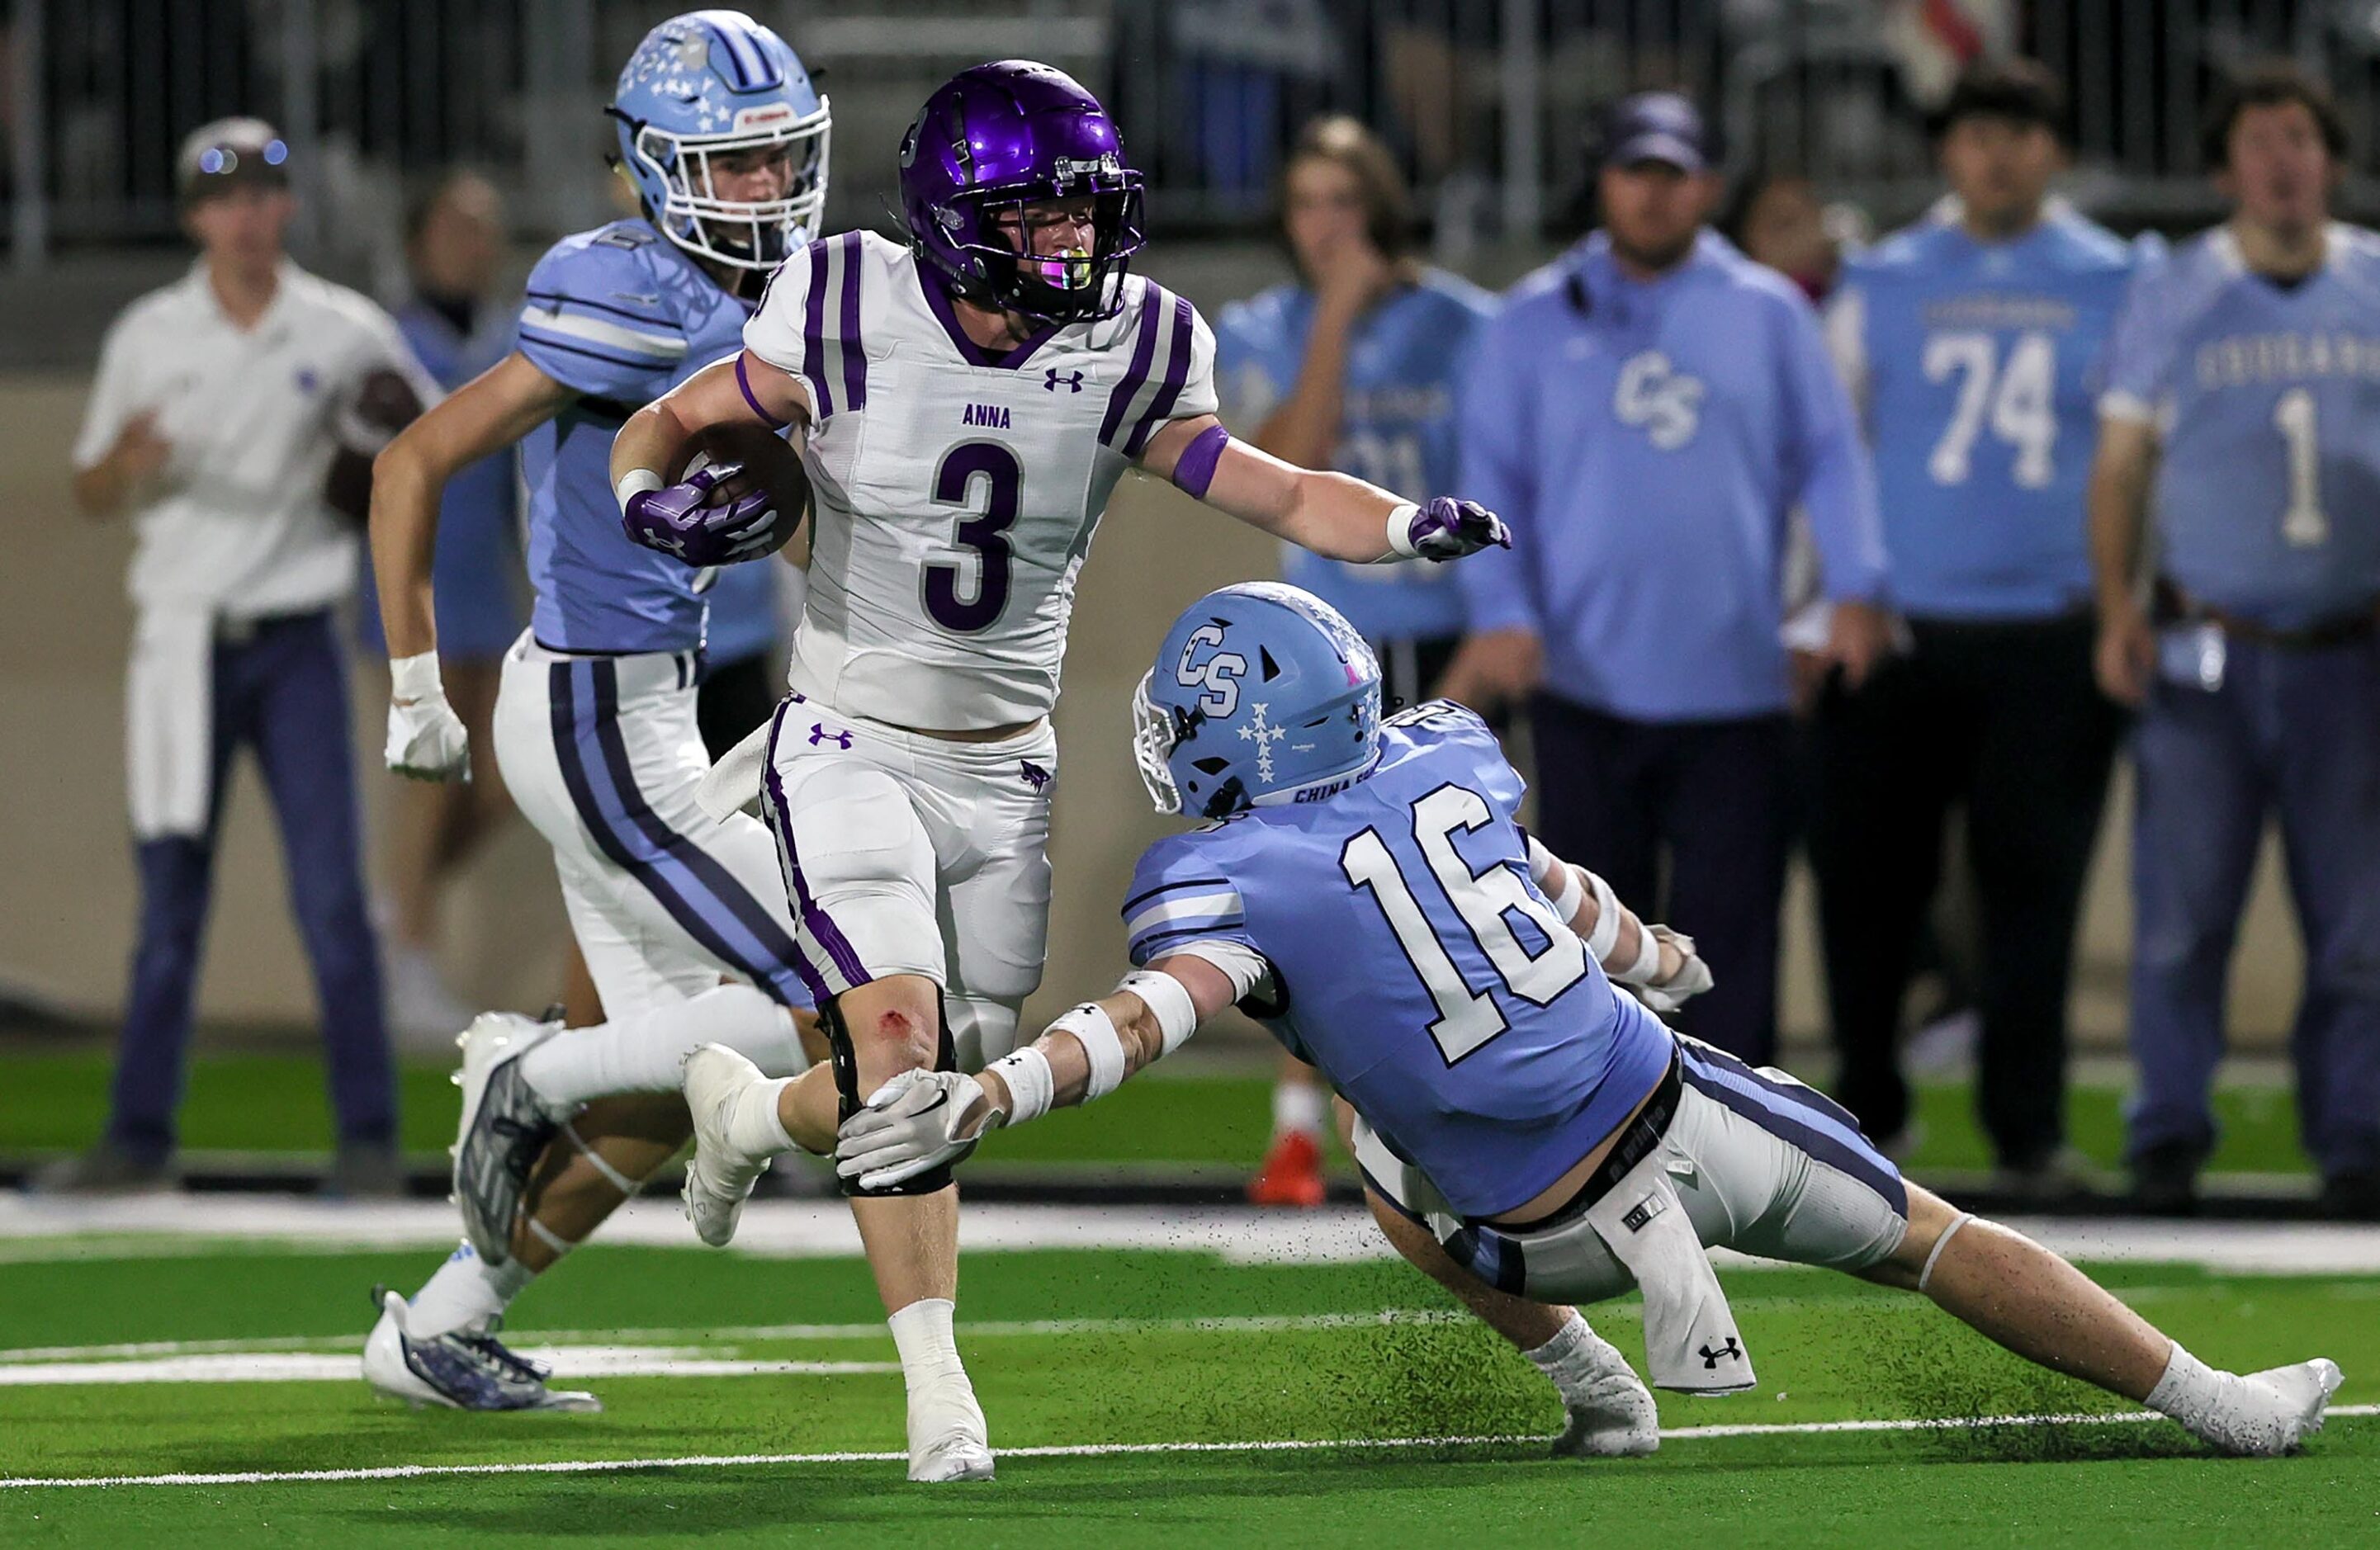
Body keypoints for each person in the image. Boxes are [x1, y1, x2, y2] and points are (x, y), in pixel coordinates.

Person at [802, 582, 2340, 1461]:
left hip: (1517, 1229)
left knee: (1369, 1130)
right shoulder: (1445, 761)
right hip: (1686, 1123)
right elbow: (1554, 887)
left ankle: (1590, 1377)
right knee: (1935, 1237)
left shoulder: (1219, 872)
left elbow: (1138, 1021)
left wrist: (986, 1096)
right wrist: (1653, 946)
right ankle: (2213, 1401)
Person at [603, 59, 1511, 1481]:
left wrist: (1404, 523)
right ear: (959, 217)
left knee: (941, 1065)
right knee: (896, 1046)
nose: (1071, 244)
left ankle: (743, 1109)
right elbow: (663, 424)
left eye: (1084, 215)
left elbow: (1267, 484)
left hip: (1005, 763)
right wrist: (641, 497)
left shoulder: (1137, 340)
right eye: (1039, 219)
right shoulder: (843, 301)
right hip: (846, 735)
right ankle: (937, 1391)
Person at [357, 12, 832, 1414]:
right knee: (851, 991)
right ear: (646, 167)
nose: (758, 192)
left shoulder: (787, 289)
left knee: (654, 1094)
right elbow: (413, 457)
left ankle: (436, 1325)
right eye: (727, 167)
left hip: (651, 705)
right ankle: (530, 1067)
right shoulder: (614, 288)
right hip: (590, 714)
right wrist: (408, 679)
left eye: (773, 163)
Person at [1441, 92, 1890, 1066]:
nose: (1653, 196)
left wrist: (1853, 591)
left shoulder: (1767, 313)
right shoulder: (1525, 322)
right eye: (1635, 172)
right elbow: (1485, 483)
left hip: (1735, 690)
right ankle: (1604, 1158)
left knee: (1730, 953)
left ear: (1710, 188)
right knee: (1592, 954)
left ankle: (1748, 1168)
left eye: (1673, 176)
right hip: (1582, 689)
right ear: (1601, 181)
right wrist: (1502, 611)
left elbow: (1831, 457)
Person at [41, 117, 433, 1198]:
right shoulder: (149, 334)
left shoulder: (342, 328)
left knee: (329, 900)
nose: (248, 216)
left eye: (264, 194)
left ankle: (367, 1141)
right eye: (225, 198)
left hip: (297, 635)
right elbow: (87, 488)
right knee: (168, 905)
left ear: (288, 207)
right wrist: (125, 461)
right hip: (179, 637)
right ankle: (137, 1137)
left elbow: (424, 447)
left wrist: (381, 463)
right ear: (193, 216)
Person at [1814, 61, 2135, 1184]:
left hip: (2052, 628)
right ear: (1945, 151)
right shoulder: (1883, 276)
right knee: (1866, 890)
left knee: (2032, 892)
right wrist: (1828, 597)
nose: (1994, 153)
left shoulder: (2115, 275)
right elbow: (1825, 448)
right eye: (1973, 133)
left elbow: (2140, 446)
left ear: (2051, 148)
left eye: (2017, 131)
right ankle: (1859, 1116)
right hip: (1898, 631)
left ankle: (2026, 1129)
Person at [2089, 63, 2380, 1219]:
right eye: (2257, 140)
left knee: (2359, 927)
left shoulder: (2373, 280)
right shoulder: (2171, 290)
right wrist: (2115, 602)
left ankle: (2355, 1136)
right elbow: (2118, 463)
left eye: (2298, 137)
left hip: (2350, 652)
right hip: (2204, 647)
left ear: (2330, 158)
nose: (2279, 158)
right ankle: (2164, 1134)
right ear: (2222, 171)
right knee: (2178, 918)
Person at [1214, 115, 1496, 1209]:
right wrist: (1332, 317)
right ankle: (1299, 1130)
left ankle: (1457, 1114)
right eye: (1304, 204)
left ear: (1379, 205)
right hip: (1319, 649)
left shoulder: (1465, 324)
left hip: (1435, 631)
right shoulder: (1260, 324)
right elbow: (1290, 460)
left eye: (1343, 200)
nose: (1323, 225)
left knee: (1449, 885)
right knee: (1317, 894)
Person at [357, 169, 527, 1047]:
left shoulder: (509, 341)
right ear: (421, 238)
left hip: (484, 591)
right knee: (427, 779)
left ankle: (391, 911)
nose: (475, 242)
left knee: (502, 782)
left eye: (487, 226)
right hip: (409, 589)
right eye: (459, 225)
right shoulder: (386, 343)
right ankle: (408, 960)